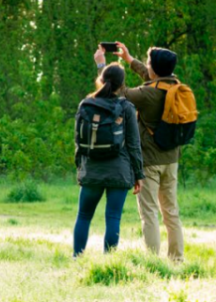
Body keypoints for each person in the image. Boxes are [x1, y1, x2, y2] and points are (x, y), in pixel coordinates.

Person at [94, 42, 185, 262]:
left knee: (149, 213)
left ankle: (153, 261)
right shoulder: (175, 85)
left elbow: (117, 91)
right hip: (172, 159)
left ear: (154, 68)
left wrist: (101, 66)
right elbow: (150, 76)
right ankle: (177, 260)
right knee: (171, 212)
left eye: (148, 63)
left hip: (150, 162)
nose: (146, 66)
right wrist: (129, 58)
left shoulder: (147, 94)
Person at [72, 63, 145, 257]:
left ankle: (77, 258)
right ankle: (108, 261)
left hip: (91, 169)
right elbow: (133, 145)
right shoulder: (126, 107)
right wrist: (139, 174)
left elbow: (78, 139)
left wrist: (80, 165)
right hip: (119, 171)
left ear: (101, 81)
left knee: (84, 216)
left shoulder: (85, 105)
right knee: (113, 217)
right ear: (122, 85)